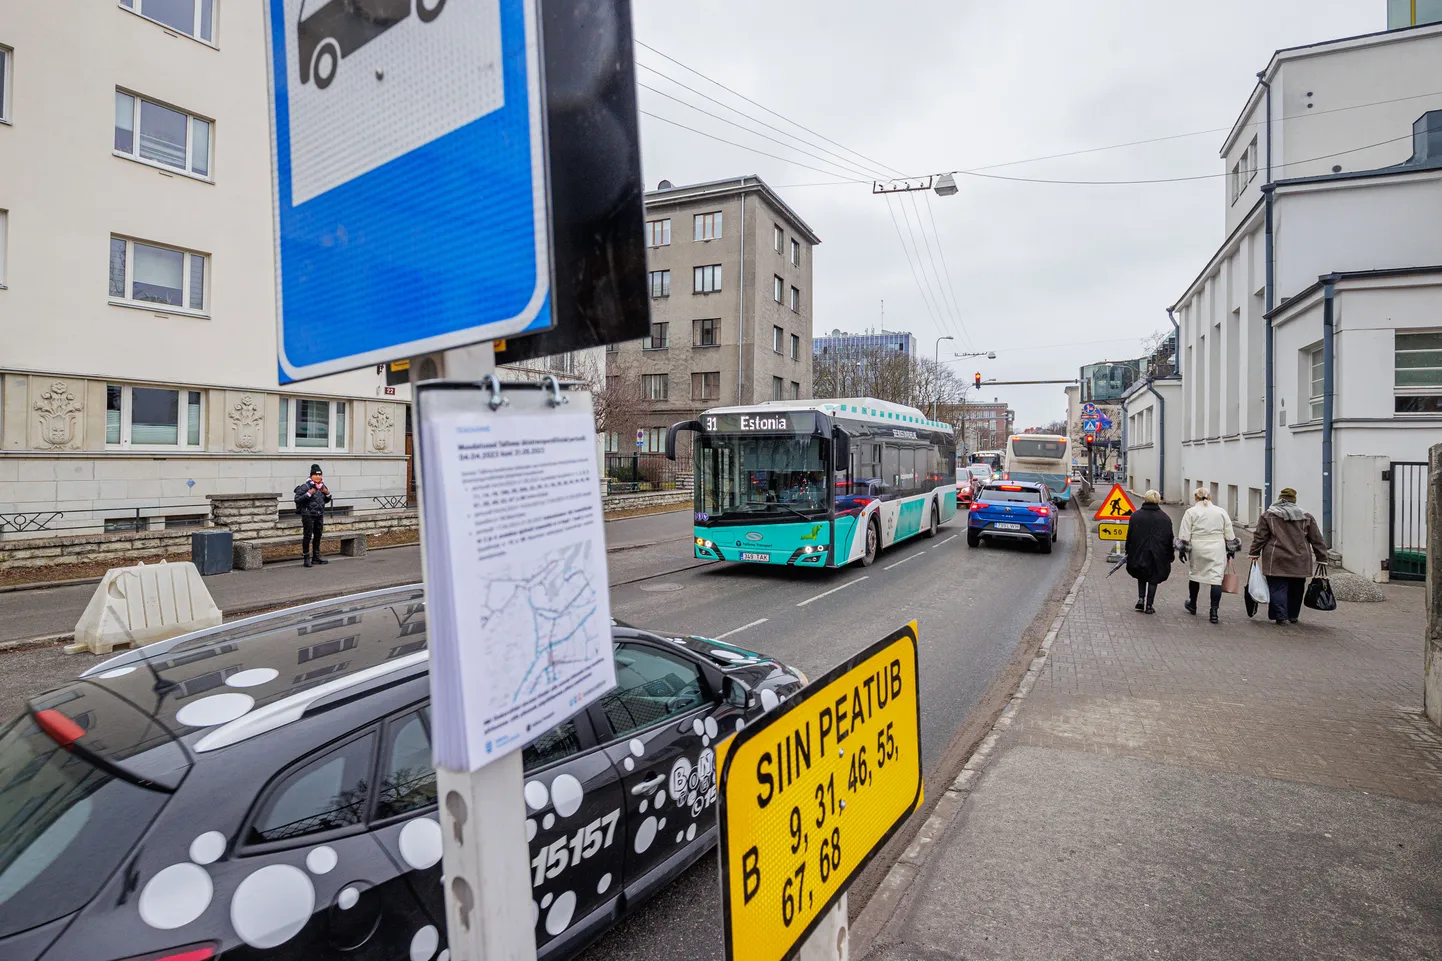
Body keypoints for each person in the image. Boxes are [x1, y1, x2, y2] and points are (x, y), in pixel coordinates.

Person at [1248, 486, 1329, 625]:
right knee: (1296, 588)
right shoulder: (1306, 517)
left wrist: (1254, 552)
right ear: (1294, 501)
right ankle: (1293, 615)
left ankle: (1280, 615)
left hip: (1276, 557)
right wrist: (1322, 557)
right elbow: (1316, 538)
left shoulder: (1268, 515)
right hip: (1300, 559)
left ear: (1280, 499)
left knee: (1277, 587)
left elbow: (1260, 537)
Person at [1177, 487, 1239, 624]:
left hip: (1198, 546)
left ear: (1195, 498)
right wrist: (1231, 550)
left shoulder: (1191, 512)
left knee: (1195, 575)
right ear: (1209, 497)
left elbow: (1185, 533)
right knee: (1216, 579)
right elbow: (1229, 532)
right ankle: (1214, 612)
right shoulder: (1220, 511)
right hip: (1217, 547)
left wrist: (1182, 550)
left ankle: (1192, 603)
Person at [1124, 490, 1174, 614]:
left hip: (1139, 551)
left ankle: (1141, 598)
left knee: (1141, 574)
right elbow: (1169, 538)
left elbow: (1130, 536)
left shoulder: (1135, 516)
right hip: (1158, 554)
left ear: (1145, 499)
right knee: (1153, 578)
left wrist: (1128, 550)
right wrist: (1170, 555)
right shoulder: (1165, 518)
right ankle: (1149, 606)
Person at [294, 464, 332, 568]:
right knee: (307, 536)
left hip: (319, 514)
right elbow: (297, 499)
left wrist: (327, 493)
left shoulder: (322, 486)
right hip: (308, 515)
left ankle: (316, 556)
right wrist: (309, 494)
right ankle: (306, 558)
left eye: (319, 475)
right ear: (311, 476)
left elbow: (327, 500)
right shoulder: (305, 486)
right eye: (315, 475)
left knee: (318, 535)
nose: (317, 477)